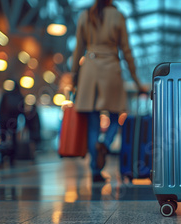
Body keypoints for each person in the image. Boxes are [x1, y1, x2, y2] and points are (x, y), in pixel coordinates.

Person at [71, 0, 147, 182]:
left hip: (89, 70)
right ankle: (105, 144)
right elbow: (126, 50)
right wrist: (137, 82)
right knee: (116, 116)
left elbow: (78, 49)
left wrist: (74, 76)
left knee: (93, 125)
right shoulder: (118, 16)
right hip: (111, 69)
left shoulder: (85, 15)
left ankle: (95, 171)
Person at [0, 81, 24, 167]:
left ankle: (3, 157)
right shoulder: (19, 96)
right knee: (13, 140)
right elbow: (22, 110)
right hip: (13, 121)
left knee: (3, 139)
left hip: (4, 121)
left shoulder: (6, 95)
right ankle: (12, 158)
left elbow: (0, 109)